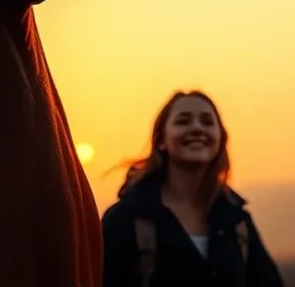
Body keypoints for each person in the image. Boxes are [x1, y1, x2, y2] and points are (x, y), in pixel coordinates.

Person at [101, 90, 283, 287]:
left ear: (221, 139)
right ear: (161, 140)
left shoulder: (237, 223)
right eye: (183, 121)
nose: (197, 128)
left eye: (207, 122)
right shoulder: (124, 219)